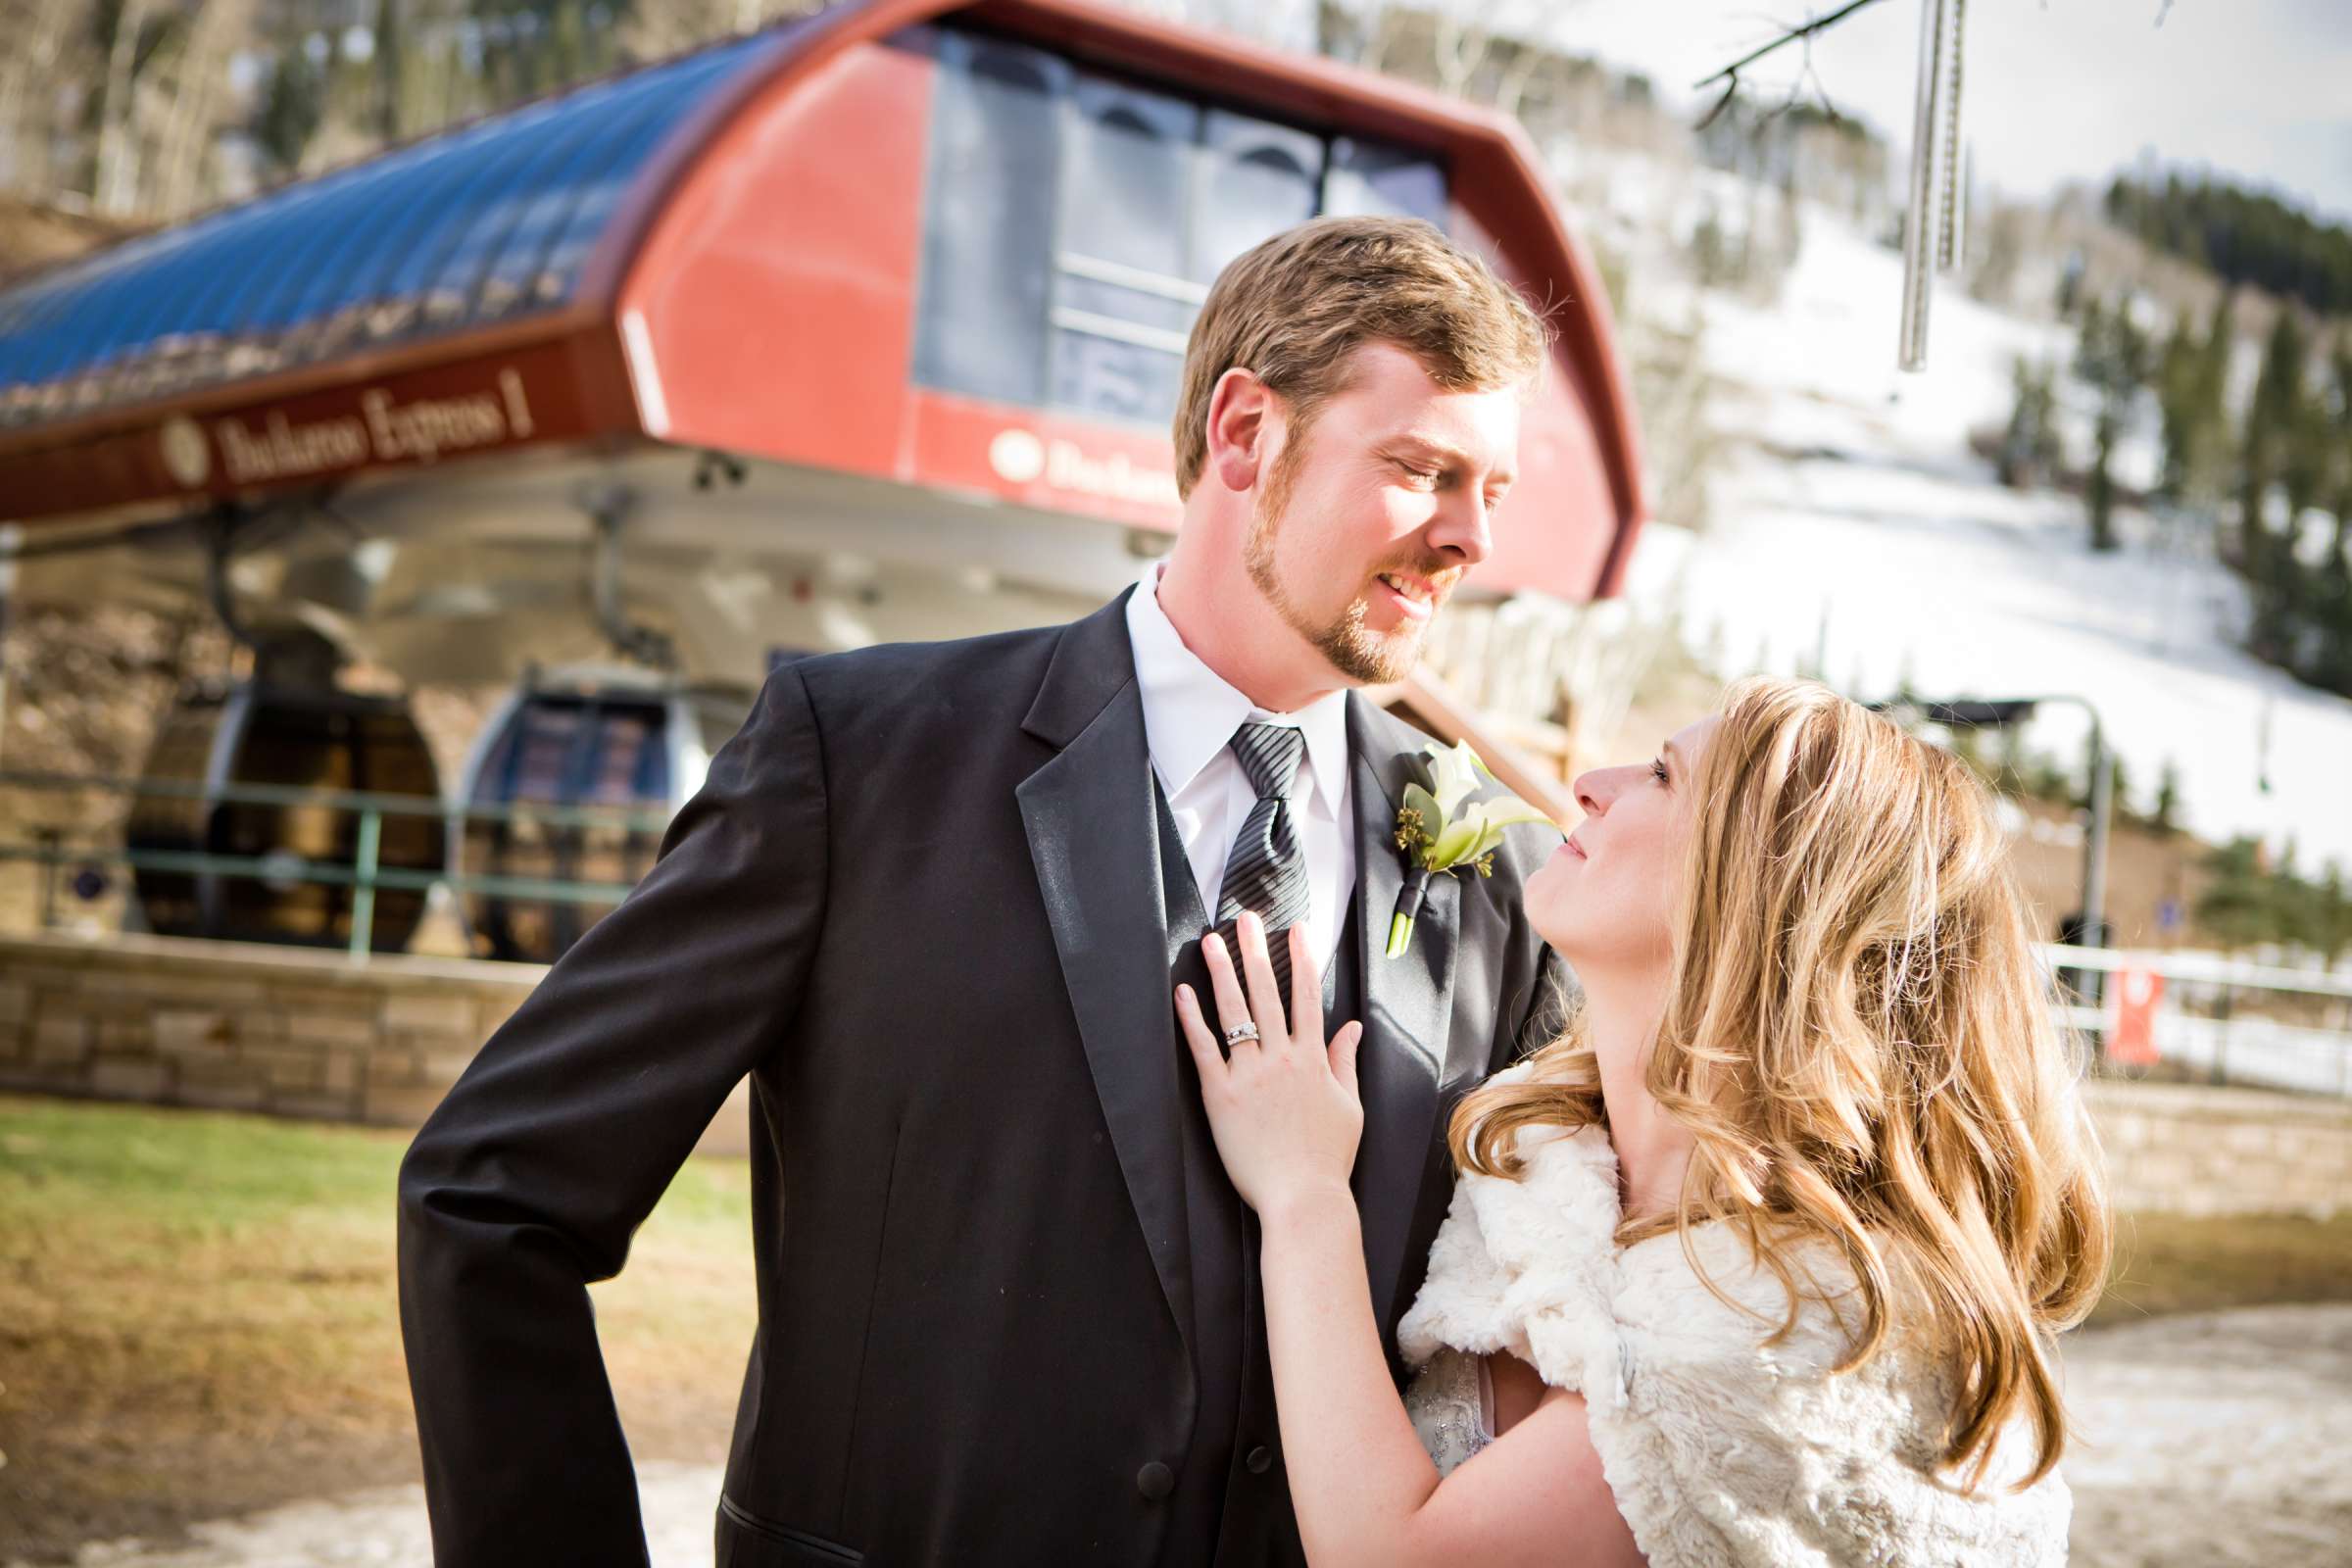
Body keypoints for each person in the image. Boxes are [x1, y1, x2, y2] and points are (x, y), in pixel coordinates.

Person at [396, 214, 1570, 1566]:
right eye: (1424, 470)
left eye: (1494, 492)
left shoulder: (1506, 880)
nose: (1469, 538)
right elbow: (491, 1199)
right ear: (1245, 433)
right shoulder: (861, 762)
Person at [1179, 676, 2113, 1567]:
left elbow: (1393, 1556)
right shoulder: (1542, 1177)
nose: (1588, 787)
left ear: (1755, 898)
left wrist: (1304, 1196)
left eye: (1664, 776)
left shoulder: (1785, 1334)